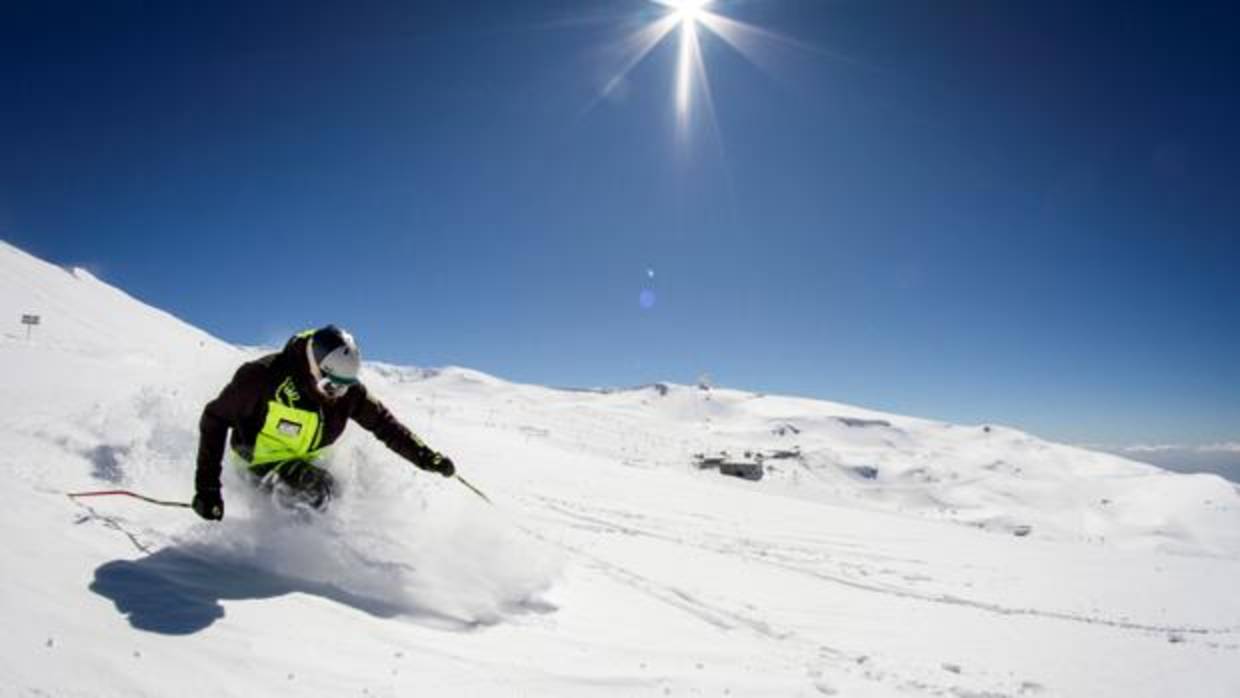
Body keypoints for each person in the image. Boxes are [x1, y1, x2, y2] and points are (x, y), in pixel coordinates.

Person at [191, 325, 454, 520]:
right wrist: (208, 489)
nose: (338, 394)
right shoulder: (263, 377)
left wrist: (425, 456)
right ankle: (292, 559)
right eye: (331, 386)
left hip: (306, 459)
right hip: (257, 460)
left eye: (345, 387)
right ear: (313, 367)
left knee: (348, 492)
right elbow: (215, 418)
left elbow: (384, 425)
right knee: (316, 492)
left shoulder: (347, 394)